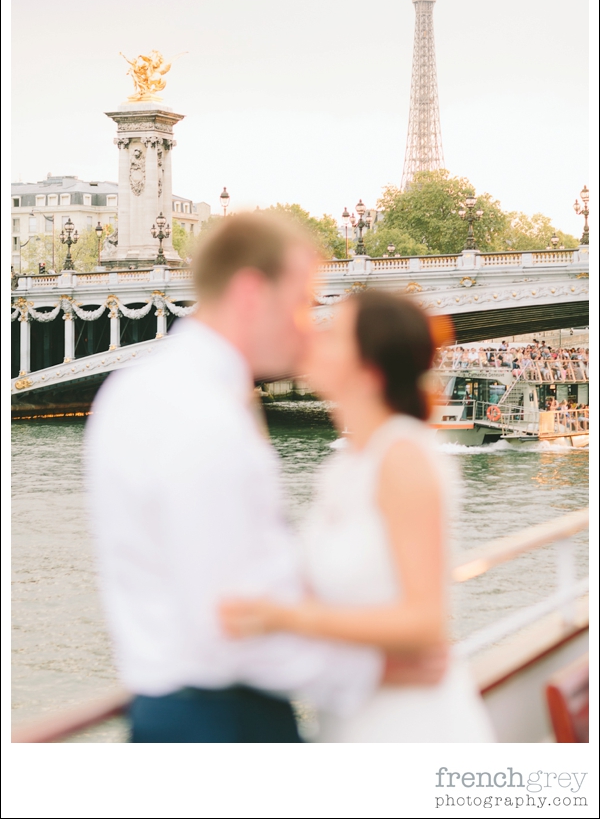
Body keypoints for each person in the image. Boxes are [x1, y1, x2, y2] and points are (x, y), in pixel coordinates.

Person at [86, 213, 446, 744]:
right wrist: (375, 670)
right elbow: (229, 621)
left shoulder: (130, 390)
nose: (308, 325)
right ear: (252, 293)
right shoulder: (208, 417)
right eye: (302, 301)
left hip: (170, 712)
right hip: (226, 724)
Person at [221, 291, 494, 742]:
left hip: (411, 729)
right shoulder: (346, 465)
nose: (315, 337)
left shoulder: (402, 457)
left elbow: (426, 620)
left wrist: (283, 618)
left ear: (369, 371)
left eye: (334, 334)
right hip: (353, 715)